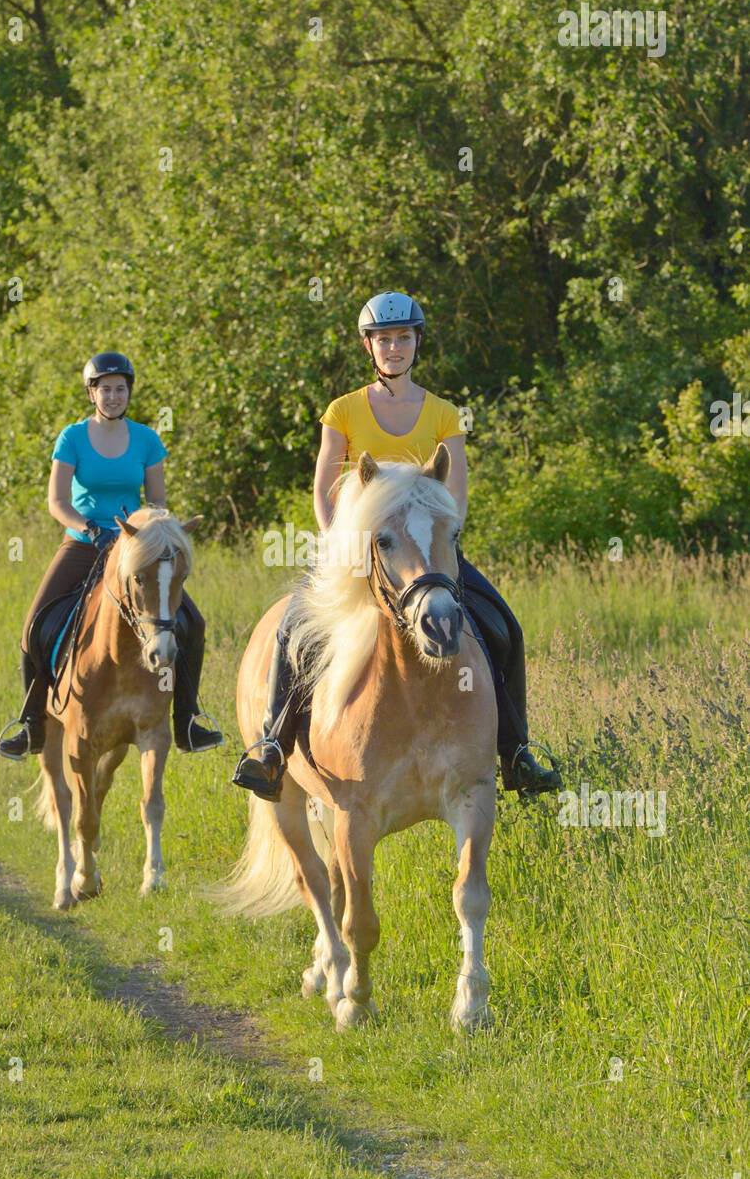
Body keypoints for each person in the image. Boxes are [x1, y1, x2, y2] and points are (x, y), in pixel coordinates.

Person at [232, 292, 561, 802]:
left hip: (427, 555)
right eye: (384, 339)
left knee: (504, 628)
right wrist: (342, 544)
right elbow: (323, 492)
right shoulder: (343, 411)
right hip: (360, 554)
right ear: (369, 346)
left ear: (416, 343)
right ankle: (273, 746)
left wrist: (439, 547)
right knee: (294, 628)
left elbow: (454, 497)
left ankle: (515, 753)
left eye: (403, 337)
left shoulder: (445, 415)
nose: (394, 347)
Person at [0, 352, 223, 760]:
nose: (114, 396)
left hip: (135, 549)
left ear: (128, 392)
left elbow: (157, 502)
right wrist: (90, 529)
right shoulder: (72, 438)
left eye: (120, 389)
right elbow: (57, 501)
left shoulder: (148, 440)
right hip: (84, 543)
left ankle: (187, 721)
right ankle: (31, 723)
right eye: (106, 389)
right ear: (92, 393)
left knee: (193, 623)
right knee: (34, 626)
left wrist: (153, 532)